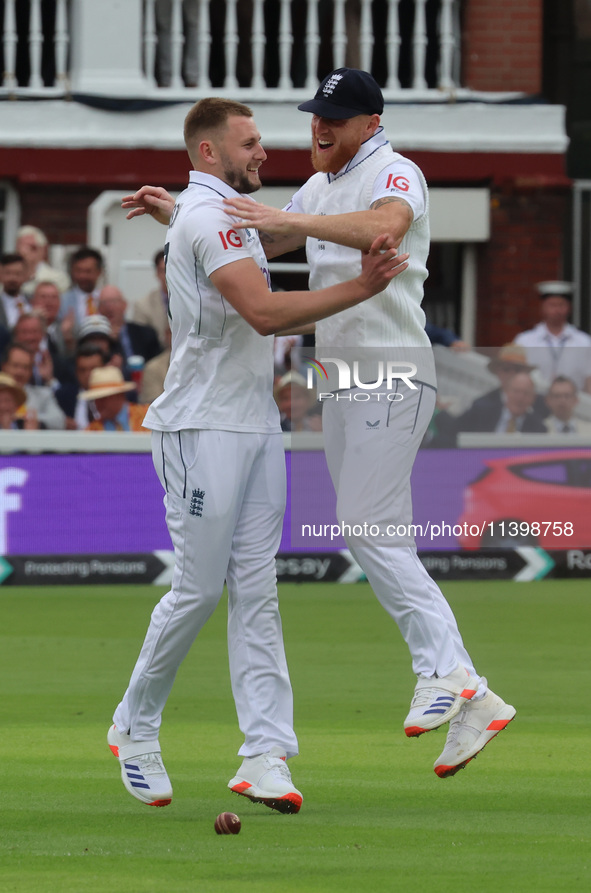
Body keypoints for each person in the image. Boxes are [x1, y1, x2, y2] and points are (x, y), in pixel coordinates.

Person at [122, 71, 515, 781]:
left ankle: (444, 672)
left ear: (370, 122)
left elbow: (382, 229)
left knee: (367, 526)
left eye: (333, 118)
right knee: (367, 527)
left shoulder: (396, 171)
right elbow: (253, 248)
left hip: (390, 370)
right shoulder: (316, 187)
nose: (316, 129)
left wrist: (285, 221)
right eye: (313, 116)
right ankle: (472, 695)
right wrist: (182, 215)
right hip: (342, 379)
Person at [112, 96, 406, 812]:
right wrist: (358, 288)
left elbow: (248, 249)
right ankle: (135, 725)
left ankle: (265, 753)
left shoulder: (213, 214)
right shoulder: (210, 217)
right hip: (198, 429)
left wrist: (173, 214)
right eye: (248, 142)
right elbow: (265, 311)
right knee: (199, 589)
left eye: (259, 140)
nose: (263, 151)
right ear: (208, 153)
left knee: (257, 591)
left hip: (254, 426)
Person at [515, 281, 591, 393]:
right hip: (535, 402)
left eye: (561, 305)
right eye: (552, 305)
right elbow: (515, 377)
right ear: (543, 307)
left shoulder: (583, 341)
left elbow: (588, 379)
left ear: (569, 308)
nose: (557, 310)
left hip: (573, 404)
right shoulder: (525, 341)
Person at [0, 342, 66, 430]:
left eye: (25, 367)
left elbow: (60, 421)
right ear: (4, 366)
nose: (20, 372)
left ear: (31, 371)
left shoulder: (43, 394)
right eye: (15, 366)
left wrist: (23, 418)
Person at [97, 285, 161, 370]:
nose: (109, 307)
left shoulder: (146, 334)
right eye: (104, 303)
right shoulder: (95, 338)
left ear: (124, 305)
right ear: (98, 309)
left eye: (113, 302)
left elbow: (157, 364)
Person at [56, 343, 108, 430]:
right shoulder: (63, 396)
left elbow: (139, 425)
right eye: (82, 370)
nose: (88, 375)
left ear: (104, 368)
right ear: (76, 372)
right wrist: (61, 424)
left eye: (93, 369)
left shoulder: (118, 396)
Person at [80, 366, 149, 432]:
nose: (98, 403)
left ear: (119, 395)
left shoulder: (149, 416)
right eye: (95, 399)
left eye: (103, 398)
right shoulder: (91, 431)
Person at [131, 249, 170, 350]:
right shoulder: (143, 305)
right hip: (155, 359)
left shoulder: (195, 301)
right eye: (164, 271)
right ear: (157, 273)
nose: (169, 276)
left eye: (173, 270)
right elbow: (140, 342)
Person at [15, 225, 70, 297]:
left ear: (43, 249)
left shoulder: (58, 278)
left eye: (32, 247)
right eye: (21, 246)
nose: (24, 250)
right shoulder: (6, 277)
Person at [60, 247, 105, 327]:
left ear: (99, 272)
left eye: (88, 271)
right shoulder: (62, 301)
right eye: (78, 271)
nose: (82, 276)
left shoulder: (106, 298)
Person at [0, 253, 29, 331]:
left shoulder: (33, 301)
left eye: (17, 274)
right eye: (8, 273)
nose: (12, 278)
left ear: (25, 276)